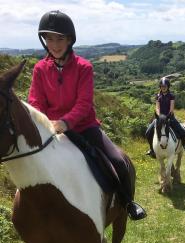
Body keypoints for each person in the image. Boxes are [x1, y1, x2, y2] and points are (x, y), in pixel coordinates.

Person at [28, 10, 146, 220]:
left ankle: (128, 203)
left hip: (84, 127)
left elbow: (84, 104)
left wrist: (66, 122)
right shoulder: (39, 69)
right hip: (50, 130)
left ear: (70, 39)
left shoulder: (84, 67)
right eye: (49, 38)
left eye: (60, 38)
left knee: (118, 161)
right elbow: (35, 102)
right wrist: (46, 124)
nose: (54, 44)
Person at [145, 77, 185, 158]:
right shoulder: (158, 96)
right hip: (159, 119)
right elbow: (157, 107)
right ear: (160, 87)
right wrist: (159, 116)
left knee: (182, 131)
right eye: (162, 86)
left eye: (165, 86)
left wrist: (167, 116)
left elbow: (171, 108)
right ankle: (152, 149)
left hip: (169, 117)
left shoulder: (171, 96)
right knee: (148, 132)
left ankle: (184, 145)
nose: (163, 87)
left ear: (168, 86)